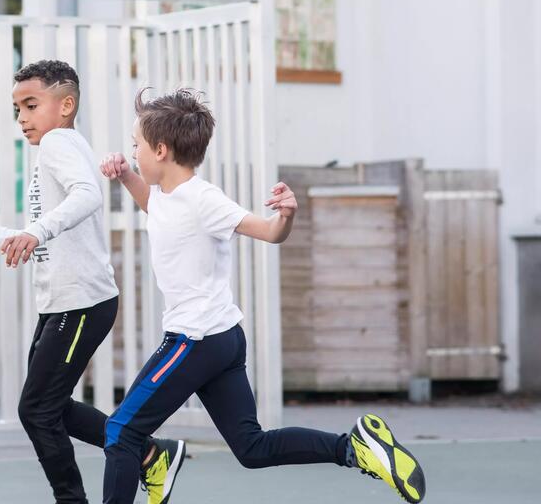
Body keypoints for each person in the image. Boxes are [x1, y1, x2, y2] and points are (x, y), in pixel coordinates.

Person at [98, 88, 427, 504]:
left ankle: (156, 461)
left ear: (161, 150)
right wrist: (125, 175)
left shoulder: (204, 200)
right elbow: (158, 210)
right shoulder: (166, 194)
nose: (132, 154)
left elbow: (270, 232)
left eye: (136, 148)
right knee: (251, 448)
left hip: (194, 340)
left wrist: (285, 215)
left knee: (122, 431)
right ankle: (355, 447)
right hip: (221, 339)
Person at [0, 60, 185, 504]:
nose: (22, 118)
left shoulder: (58, 144)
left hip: (80, 304)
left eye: (31, 105)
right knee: (53, 407)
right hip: (64, 304)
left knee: (37, 410)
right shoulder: (58, 148)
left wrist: (36, 231)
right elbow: (30, 237)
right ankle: (148, 454)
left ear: (66, 105)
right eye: (17, 109)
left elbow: (88, 195)